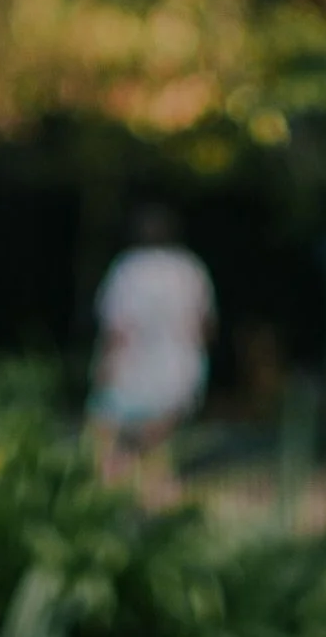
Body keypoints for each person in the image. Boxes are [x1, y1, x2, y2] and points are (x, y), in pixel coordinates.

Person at [86, 204, 216, 499]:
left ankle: (115, 494)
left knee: (107, 442)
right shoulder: (189, 269)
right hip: (179, 369)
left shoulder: (128, 268)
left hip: (133, 371)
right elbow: (204, 325)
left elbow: (117, 330)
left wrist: (105, 368)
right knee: (157, 449)